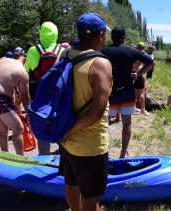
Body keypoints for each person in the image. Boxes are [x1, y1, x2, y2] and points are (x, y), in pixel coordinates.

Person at [59, 12, 112, 211]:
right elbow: (96, 112)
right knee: (90, 198)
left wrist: (64, 132)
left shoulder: (66, 55)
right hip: (90, 145)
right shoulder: (100, 64)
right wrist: (70, 131)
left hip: (65, 141)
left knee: (71, 185)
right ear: (100, 34)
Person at [102, 27, 154, 158]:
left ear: (111, 37)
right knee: (127, 123)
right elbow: (150, 62)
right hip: (127, 92)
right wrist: (139, 74)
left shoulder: (104, 51)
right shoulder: (131, 51)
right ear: (124, 37)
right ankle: (123, 153)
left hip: (110, 92)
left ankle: (105, 153)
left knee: (105, 124)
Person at [24, 21, 64, 155]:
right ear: (56, 34)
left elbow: (25, 71)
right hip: (57, 95)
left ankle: (44, 157)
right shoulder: (63, 51)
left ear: (41, 33)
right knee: (59, 124)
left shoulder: (33, 50)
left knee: (41, 127)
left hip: (38, 95)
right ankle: (62, 155)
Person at [0, 57, 30, 155]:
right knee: (18, 128)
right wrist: (30, 114)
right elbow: (25, 97)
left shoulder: (3, 61)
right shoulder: (22, 72)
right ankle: (20, 159)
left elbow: (8, 89)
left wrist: (15, 109)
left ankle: (5, 156)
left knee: (3, 129)